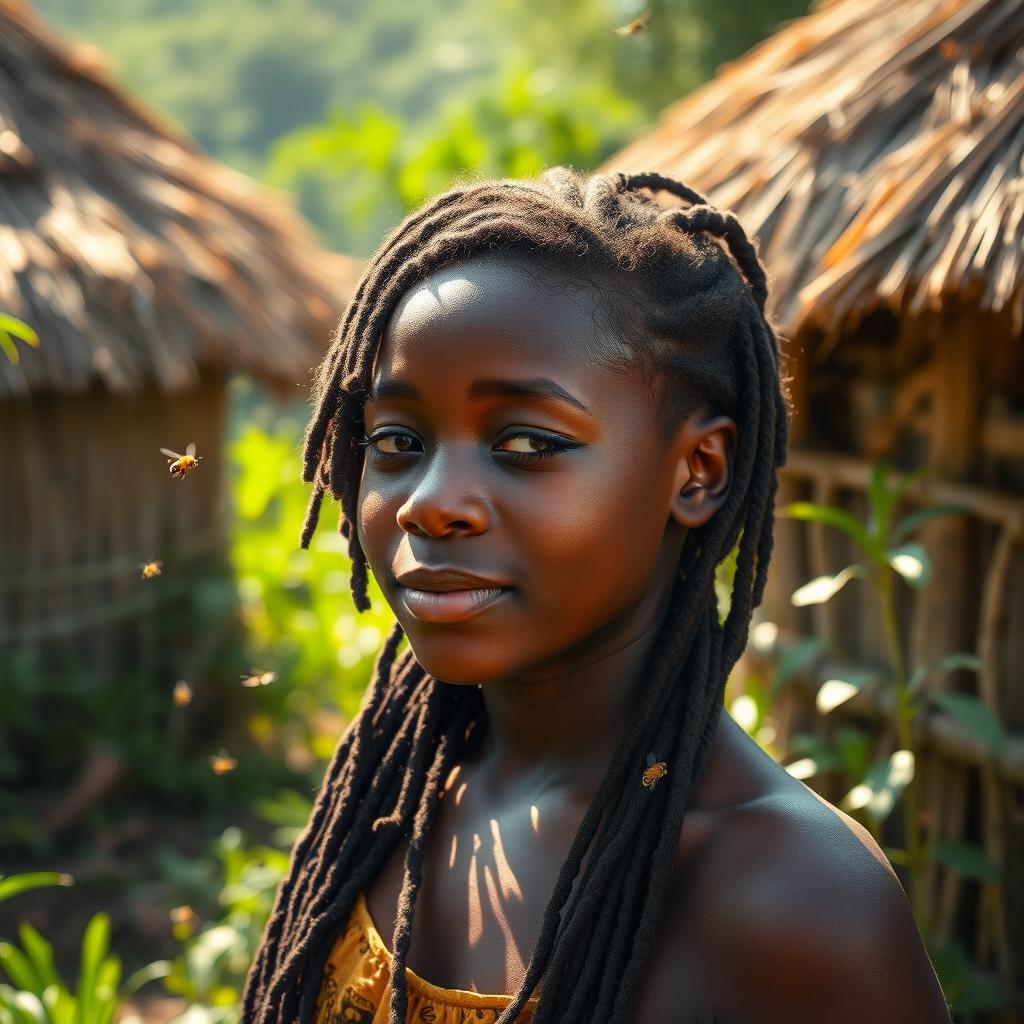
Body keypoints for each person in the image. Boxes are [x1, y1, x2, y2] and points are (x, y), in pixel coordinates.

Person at [241, 168, 952, 1024]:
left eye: (527, 442)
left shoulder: (793, 900)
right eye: (396, 440)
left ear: (698, 472)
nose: (430, 501)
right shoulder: (396, 799)